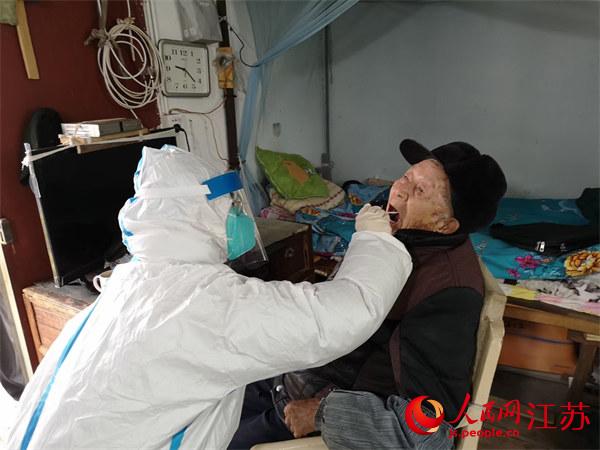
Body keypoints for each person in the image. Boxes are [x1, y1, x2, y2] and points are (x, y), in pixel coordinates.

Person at [8, 146, 413, 450]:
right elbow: (345, 314)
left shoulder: (133, 283)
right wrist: (374, 240)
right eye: (230, 205)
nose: (238, 215)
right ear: (199, 213)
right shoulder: (202, 304)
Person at [230, 139, 507, 450]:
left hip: (315, 408)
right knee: (209, 403)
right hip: (294, 375)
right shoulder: (406, 239)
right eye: (406, 176)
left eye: (419, 191)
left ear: (445, 224)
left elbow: (429, 429)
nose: (398, 190)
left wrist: (322, 414)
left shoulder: (446, 296)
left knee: (216, 438)